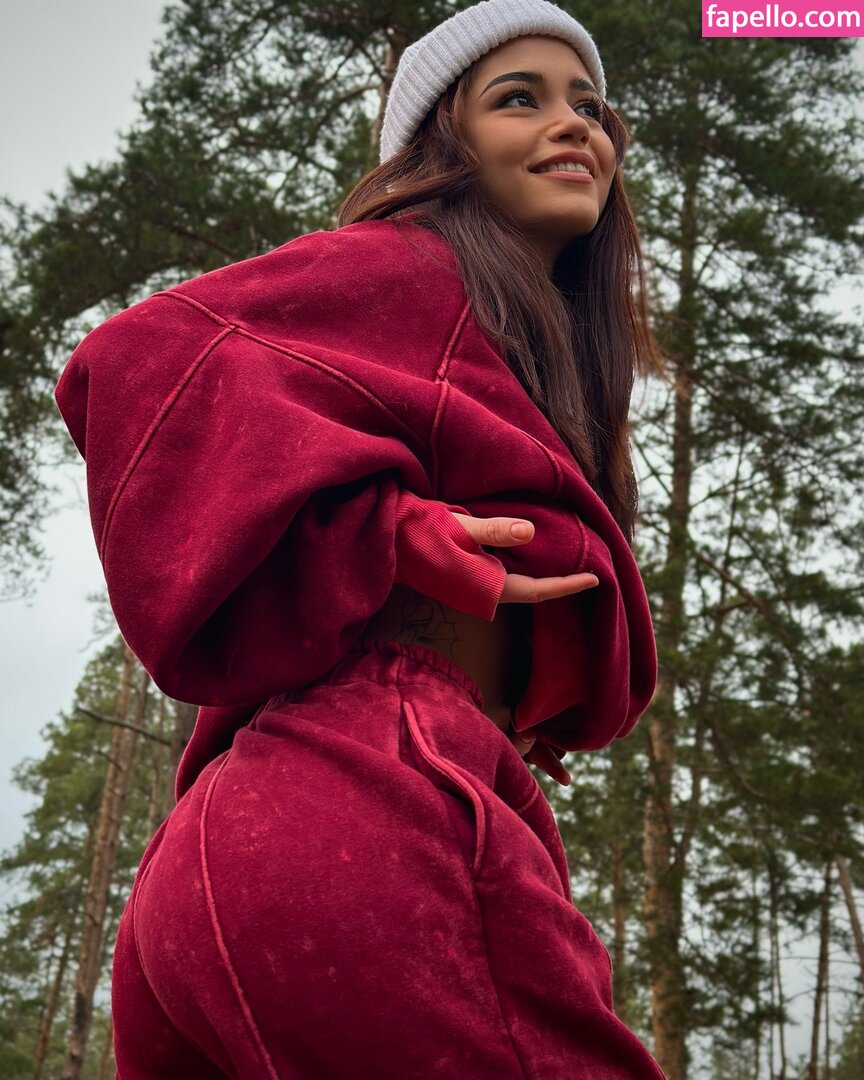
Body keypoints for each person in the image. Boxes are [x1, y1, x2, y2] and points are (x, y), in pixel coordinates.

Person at [54, 1, 666, 1076]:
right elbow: (135, 355)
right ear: (445, 146)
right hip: (361, 800)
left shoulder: (519, 335)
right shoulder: (413, 266)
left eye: (589, 105)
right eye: (518, 99)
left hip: (248, 838)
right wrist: (380, 532)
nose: (574, 123)